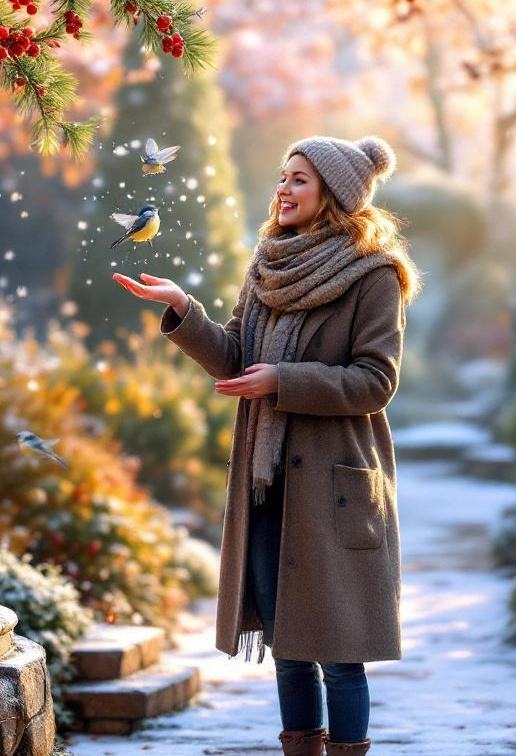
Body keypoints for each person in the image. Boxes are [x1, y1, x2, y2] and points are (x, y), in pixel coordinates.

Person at [113, 135, 422, 756]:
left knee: (338, 654)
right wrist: (182, 310)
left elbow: (375, 381)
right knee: (288, 648)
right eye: (283, 177)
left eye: (300, 179)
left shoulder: (374, 274)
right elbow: (235, 357)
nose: (283, 188)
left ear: (334, 193)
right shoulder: (267, 266)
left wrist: (284, 381)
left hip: (334, 487)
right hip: (268, 479)